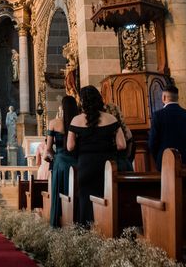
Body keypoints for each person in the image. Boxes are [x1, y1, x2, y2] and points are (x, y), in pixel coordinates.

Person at [67, 86, 126, 225]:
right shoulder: (110, 118)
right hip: (106, 165)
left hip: (85, 164)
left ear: (82, 102)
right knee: (106, 197)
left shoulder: (76, 120)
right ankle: (106, 229)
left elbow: (70, 146)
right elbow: (122, 145)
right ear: (99, 99)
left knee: (85, 199)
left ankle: (86, 231)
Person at [46, 95, 79, 227]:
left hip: (60, 162)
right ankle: (74, 222)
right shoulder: (79, 121)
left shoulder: (54, 123)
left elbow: (48, 149)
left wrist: (57, 156)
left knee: (58, 195)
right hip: (76, 162)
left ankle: (57, 224)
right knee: (74, 194)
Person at [148, 85, 186, 171]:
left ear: (164, 97)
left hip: (164, 161)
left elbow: (152, 143)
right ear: (177, 97)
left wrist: (160, 156)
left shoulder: (158, 115)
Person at [104, 103, 135, 171]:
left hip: (112, 166)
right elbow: (130, 152)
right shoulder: (126, 130)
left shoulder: (106, 130)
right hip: (125, 164)